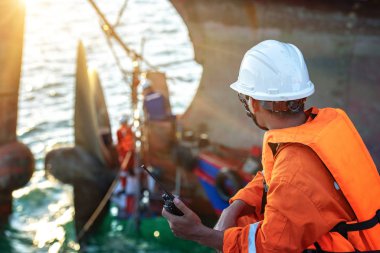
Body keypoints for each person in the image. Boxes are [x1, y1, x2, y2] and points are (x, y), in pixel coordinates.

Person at [162, 40, 380, 252]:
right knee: (244, 221)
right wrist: (235, 206)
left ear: (254, 103)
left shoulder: (294, 170)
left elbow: (271, 246)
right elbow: (272, 176)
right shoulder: (323, 125)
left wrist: (199, 233)